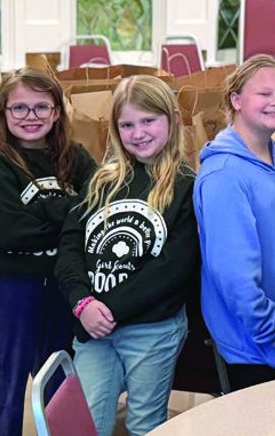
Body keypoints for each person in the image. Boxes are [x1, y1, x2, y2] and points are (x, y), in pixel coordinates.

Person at [55, 75, 200, 436]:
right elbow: (71, 245)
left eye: (148, 121)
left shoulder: (185, 184)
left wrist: (111, 311)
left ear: (172, 119)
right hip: (94, 327)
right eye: (127, 125)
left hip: (152, 329)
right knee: (86, 424)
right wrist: (82, 304)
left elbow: (174, 268)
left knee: (145, 424)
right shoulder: (102, 181)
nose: (138, 133)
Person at [0, 69, 97, 436]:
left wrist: (45, 213)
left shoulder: (75, 157)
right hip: (13, 286)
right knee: (6, 379)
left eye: (41, 107)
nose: (31, 117)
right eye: (20, 108)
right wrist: (68, 214)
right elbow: (12, 233)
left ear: (58, 112)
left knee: (60, 378)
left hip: (63, 285)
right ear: (3, 113)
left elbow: (95, 211)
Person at [195, 56, 275, 391]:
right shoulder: (224, 174)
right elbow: (233, 273)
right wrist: (273, 332)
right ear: (236, 100)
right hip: (255, 347)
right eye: (264, 93)